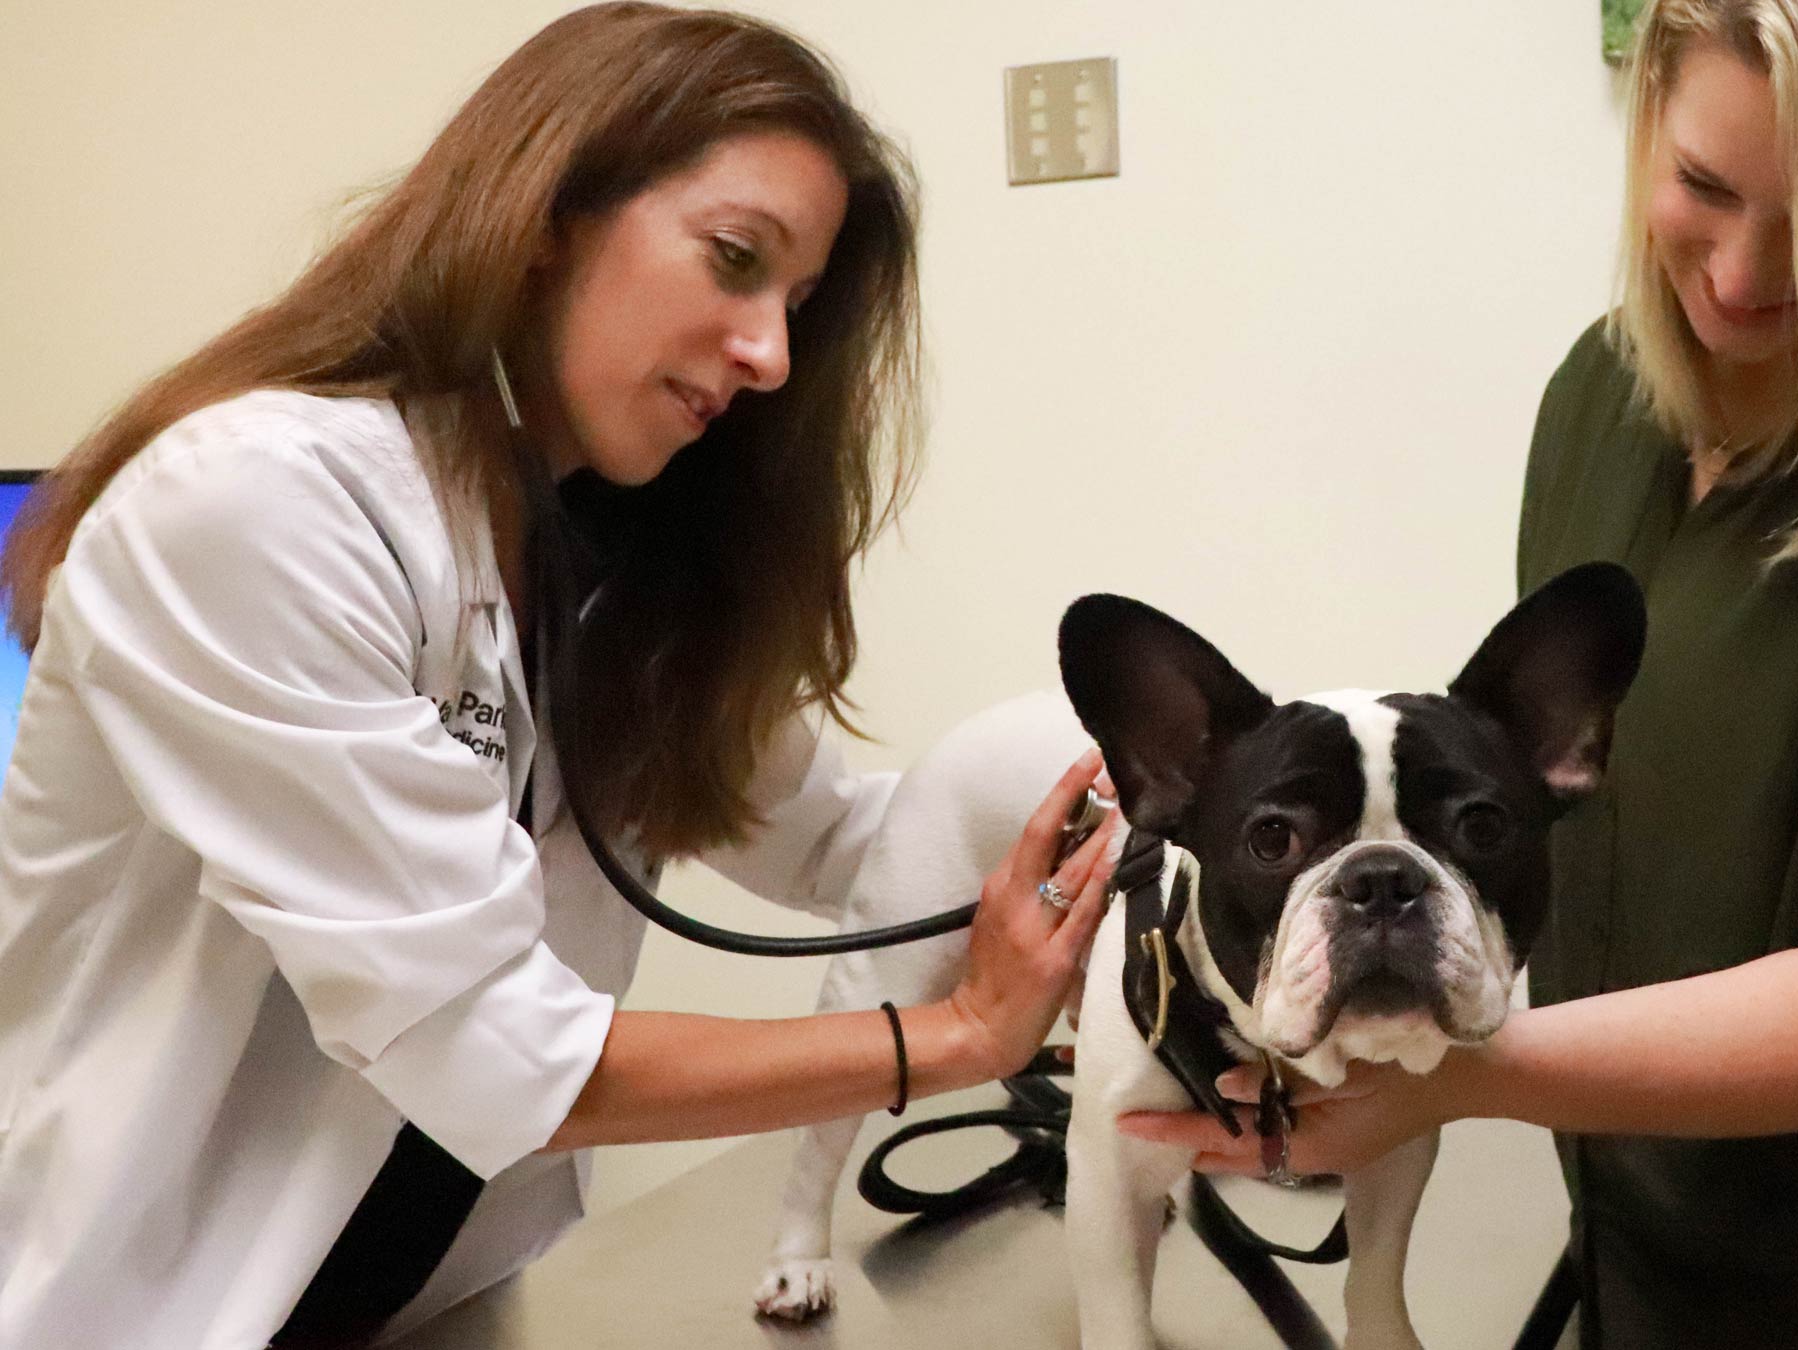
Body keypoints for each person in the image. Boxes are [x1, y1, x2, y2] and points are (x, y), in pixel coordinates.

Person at [0, 6, 1115, 1347]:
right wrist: (952, 1035)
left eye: (797, 306)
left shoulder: (603, 558)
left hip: (441, 1301)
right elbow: (490, 1050)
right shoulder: (256, 507)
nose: (769, 354)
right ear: (546, 217)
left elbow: (844, 843)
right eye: (734, 260)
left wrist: (1140, 832)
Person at [1119, 3, 1798, 1347]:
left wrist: (1459, 1068)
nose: (1746, 273)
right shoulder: (1604, 398)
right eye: (1705, 186)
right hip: (1659, 1268)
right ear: (1650, 114)